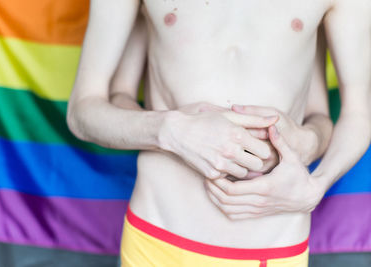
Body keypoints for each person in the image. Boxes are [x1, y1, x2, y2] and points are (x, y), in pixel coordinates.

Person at [67, 1, 371, 266]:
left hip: (275, 243)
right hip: (158, 236)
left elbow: (358, 113)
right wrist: (169, 130)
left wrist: (317, 185)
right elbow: (82, 113)